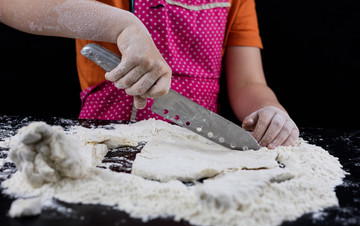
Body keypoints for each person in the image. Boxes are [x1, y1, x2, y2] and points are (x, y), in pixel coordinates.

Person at [0, 0, 299, 149]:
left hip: (198, 148)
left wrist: (269, 113)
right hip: (106, 145)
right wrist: (121, 24)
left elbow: (249, 83)